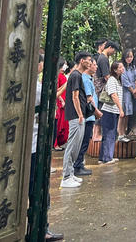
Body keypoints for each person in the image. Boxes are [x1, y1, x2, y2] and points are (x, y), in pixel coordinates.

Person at [61, 53, 92, 188]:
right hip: (75, 116)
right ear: (82, 61)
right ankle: (66, 176)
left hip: (79, 115)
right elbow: (75, 96)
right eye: (88, 60)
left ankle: (71, 173)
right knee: (72, 146)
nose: (90, 63)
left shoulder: (78, 75)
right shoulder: (75, 76)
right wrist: (79, 114)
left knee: (76, 145)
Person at [74, 57, 102, 176]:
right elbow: (89, 99)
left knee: (85, 141)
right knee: (84, 141)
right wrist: (97, 112)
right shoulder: (85, 79)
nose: (96, 67)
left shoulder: (88, 79)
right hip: (88, 116)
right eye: (94, 64)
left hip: (90, 116)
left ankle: (79, 164)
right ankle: (77, 166)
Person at [98, 61, 125, 164]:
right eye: (120, 67)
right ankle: (107, 157)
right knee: (109, 133)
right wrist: (121, 109)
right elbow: (113, 95)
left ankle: (104, 157)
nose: (122, 69)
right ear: (115, 70)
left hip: (114, 111)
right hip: (109, 110)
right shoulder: (112, 80)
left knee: (110, 133)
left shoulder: (118, 80)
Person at [118, 49, 136, 141]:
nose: (129, 59)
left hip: (132, 91)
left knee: (128, 113)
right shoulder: (123, 68)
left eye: (131, 57)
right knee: (123, 113)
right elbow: (125, 81)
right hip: (125, 92)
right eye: (127, 57)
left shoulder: (133, 67)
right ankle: (120, 133)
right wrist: (132, 91)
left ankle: (125, 132)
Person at [54, 58, 69, 148]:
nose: (65, 66)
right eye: (64, 64)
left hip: (63, 101)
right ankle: (55, 144)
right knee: (58, 124)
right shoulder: (57, 76)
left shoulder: (62, 75)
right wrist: (62, 100)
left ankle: (58, 143)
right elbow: (56, 90)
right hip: (60, 102)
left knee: (62, 124)